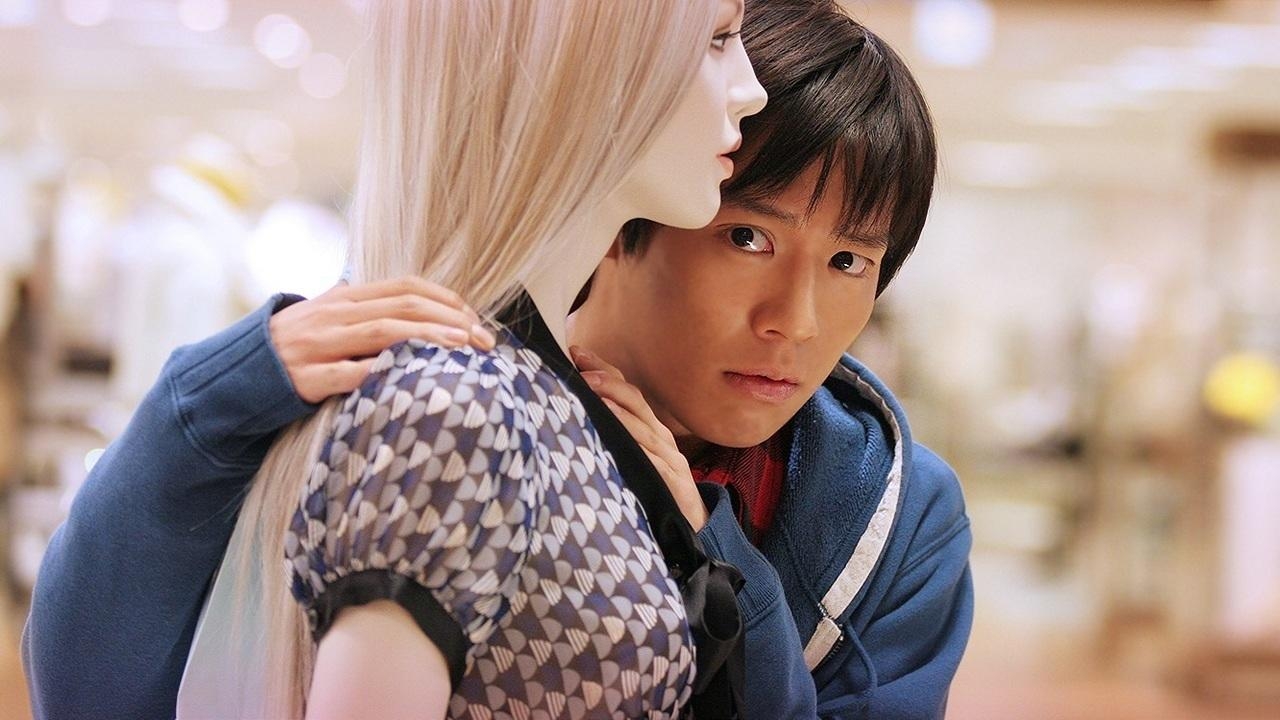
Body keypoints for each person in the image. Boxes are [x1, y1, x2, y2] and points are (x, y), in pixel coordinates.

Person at [26, 1, 972, 718]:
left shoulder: (892, 509)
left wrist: (718, 562)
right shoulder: (442, 385)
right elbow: (87, 687)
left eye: (852, 262)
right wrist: (204, 413)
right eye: (748, 239)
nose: (795, 322)